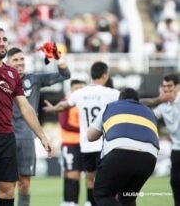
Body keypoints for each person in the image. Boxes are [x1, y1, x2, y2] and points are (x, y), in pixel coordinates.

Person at [0, 0, 54, 206]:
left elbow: (24, 106)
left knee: (7, 192)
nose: (2, 43)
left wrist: (42, 136)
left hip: (7, 138)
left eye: (5, 39)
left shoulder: (12, 73)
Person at [0, 46, 70, 206]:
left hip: (27, 138)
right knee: (4, 184)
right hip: (5, 137)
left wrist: (57, 56)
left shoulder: (34, 79)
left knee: (24, 185)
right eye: (15, 60)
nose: (19, 63)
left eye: (22, 59)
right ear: (7, 63)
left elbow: (65, 75)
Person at [43, 61, 120, 206]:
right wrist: (157, 100)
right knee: (108, 180)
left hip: (86, 146)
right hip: (105, 145)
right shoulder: (110, 93)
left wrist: (53, 109)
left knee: (90, 179)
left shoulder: (79, 94)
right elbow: (131, 100)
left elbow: (63, 106)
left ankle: (89, 203)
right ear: (105, 75)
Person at [87, 88, 159, 206]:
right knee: (128, 198)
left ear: (120, 99)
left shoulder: (111, 106)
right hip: (149, 158)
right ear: (137, 101)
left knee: (102, 194)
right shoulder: (149, 112)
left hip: (120, 152)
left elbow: (90, 136)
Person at [152, 74, 180, 206]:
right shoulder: (162, 106)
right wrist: (158, 100)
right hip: (176, 148)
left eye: (170, 86)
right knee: (175, 181)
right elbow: (150, 116)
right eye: (164, 87)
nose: (167, 90)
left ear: (177, 87)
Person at [58, 80, 86, 206]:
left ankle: (79, 201)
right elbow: (65, 124)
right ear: (71, 89)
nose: (79, 90)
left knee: (84, 174)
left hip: (85, 144)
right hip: (70, 143)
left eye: (81, 88)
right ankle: (69, 202)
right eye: (76, 88)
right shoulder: (66, 101)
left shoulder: (86, 102)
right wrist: (86, 128)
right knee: (71, 174)